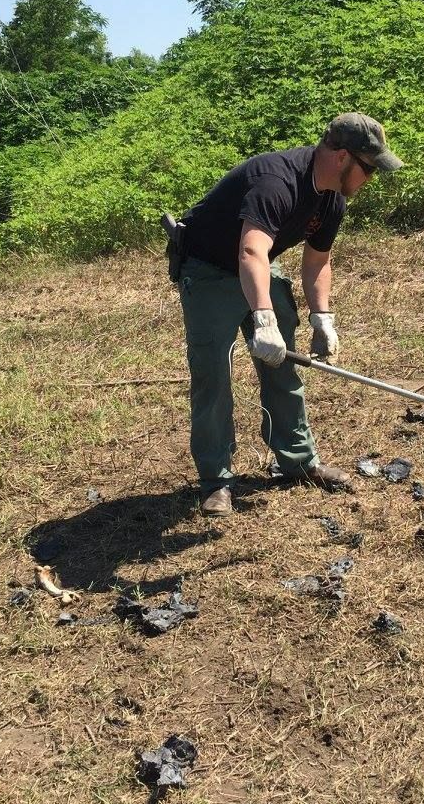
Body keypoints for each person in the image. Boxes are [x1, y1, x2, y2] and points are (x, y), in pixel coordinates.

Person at [171, 112, 404, 517]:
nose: (370, 179)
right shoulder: (276, 181)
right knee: (214, 373)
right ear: (341, 157)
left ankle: (298, 462)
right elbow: (250, 250)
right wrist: (263, 318)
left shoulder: (332, 200)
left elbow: (317, 262)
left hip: (259, 265)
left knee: (283, 363)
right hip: (209, 269)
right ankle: (216, 481)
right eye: (368, 168)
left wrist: (321, 317)